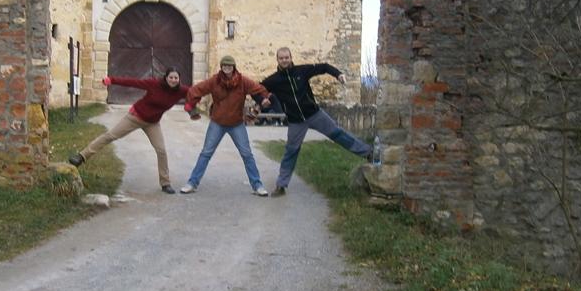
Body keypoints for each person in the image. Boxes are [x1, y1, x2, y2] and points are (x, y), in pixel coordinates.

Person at [260, 47, 373, 196]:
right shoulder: (274, 80)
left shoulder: (301, 71)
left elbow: (324, 67)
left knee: (338, 134)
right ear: (277, 60)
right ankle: (281, 185)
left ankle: (368, 152)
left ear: (291, 57)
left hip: (314, 114)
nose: (284, 60)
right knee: (291, 151)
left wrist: (338, 74)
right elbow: (259, 88)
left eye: (286, 57)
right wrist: (262, 99)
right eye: (281, 58)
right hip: (295, 121)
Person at [68, 68, 189, 194]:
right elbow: (132, 82)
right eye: (171, 77)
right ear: (166, 77)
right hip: (135, 117)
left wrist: (192, 106)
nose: (173, 80)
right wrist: (112, 80)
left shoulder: (181, 91)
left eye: (176, 78)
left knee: (161, 150)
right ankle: (81, 156)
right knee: (110, 135)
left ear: (179, 79)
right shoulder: (154, 84)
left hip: (152, 123)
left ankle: (165, 183)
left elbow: (196, 92)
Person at [180, 55, 272, 196]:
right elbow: (196, 90)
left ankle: (257, 185)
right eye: (224, 66)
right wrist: (191, 105)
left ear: (234, 67)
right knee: (206, 153)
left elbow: (258, 89)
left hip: (236, 123)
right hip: (217, 122)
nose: (227, 68)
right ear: (221, 67)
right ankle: (192, 183)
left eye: (229, 66)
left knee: (247, 154)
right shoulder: (215, 80)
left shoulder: (242, 81)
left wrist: (264, 99)